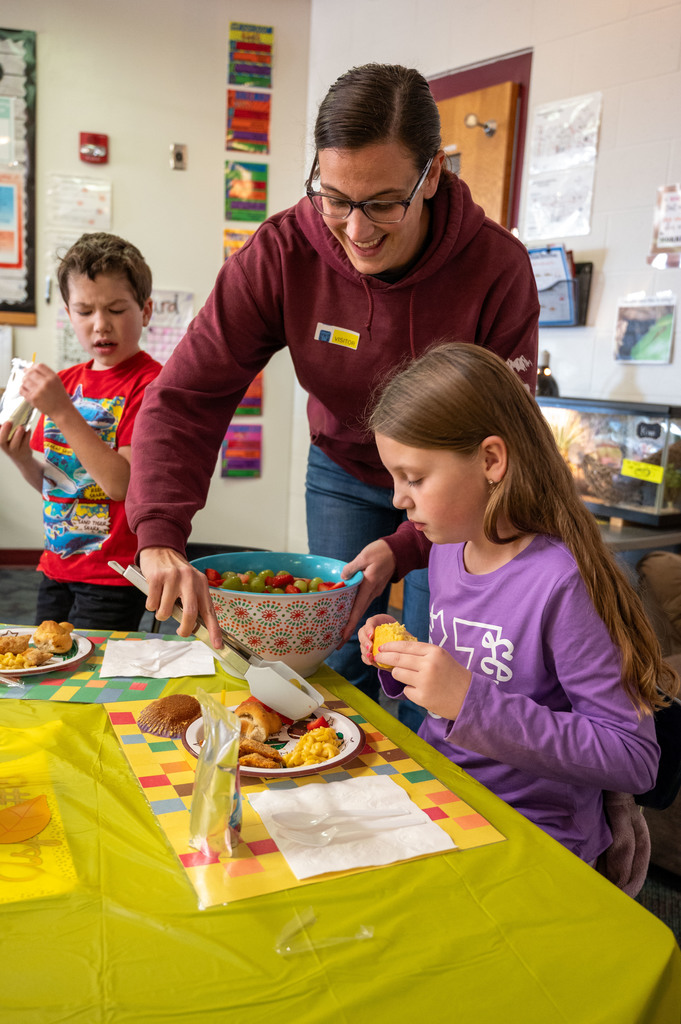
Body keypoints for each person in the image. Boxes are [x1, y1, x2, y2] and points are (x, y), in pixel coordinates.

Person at [125, 63, 539, 715]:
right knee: (336, 654)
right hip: (344, 469)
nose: (356, 231)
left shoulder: (497, 267)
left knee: (436, 661)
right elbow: (185, 398)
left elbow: (508, 445)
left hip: (458, 491)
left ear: (432, 174)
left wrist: (408, 546)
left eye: (382, 204)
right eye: (335, 198)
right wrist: (158, 533)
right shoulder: (281, 253)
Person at [357, 341, 679, 869]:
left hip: (535, 832)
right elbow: (469, 669)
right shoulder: (447, 549)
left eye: (414, 478)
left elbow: (634, 757)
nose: (398, 499)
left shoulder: (564, 582)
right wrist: (405, 661)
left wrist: (469, 702)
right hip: (441, 793)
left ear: (491, 460)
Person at [0, 232, 161, 630]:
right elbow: (59, 484)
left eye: (116, 309)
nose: (101, 324)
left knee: (93, 665)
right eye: (85, 311)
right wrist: (22, 458)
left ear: (145, 311)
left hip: (113, 574)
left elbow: (120, 485)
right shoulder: (66, 383)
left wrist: (61, 410)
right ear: (69, 315)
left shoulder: (151, 385)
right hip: (56, 564)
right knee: (47, 656)